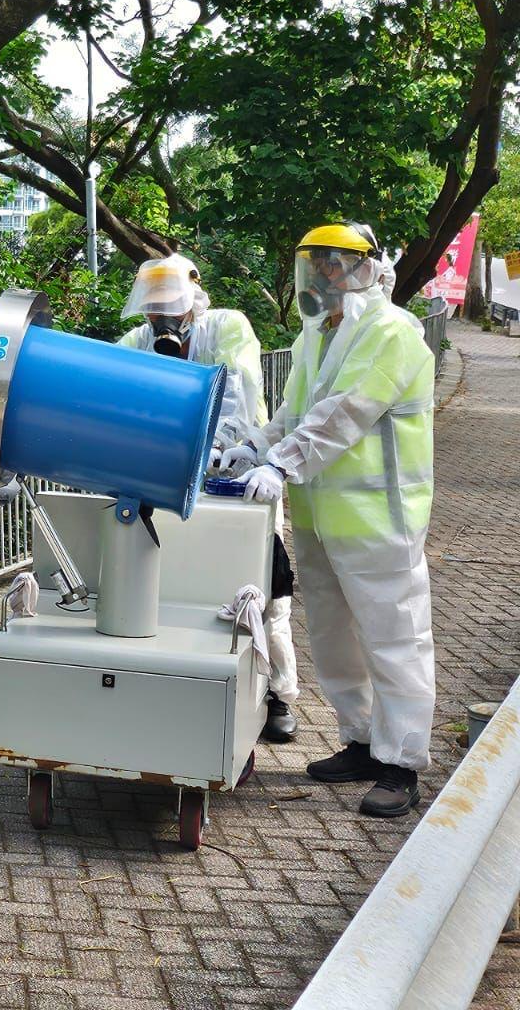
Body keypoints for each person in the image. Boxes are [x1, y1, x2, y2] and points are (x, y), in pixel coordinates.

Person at [229, 223, 435, 818]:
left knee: (393, 638)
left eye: (333, 264)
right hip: (320, 514)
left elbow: (346, 414)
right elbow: (299, 413)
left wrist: (282, 463)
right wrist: (256, 446)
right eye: (313, 265)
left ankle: (401, 764)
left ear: (365, 269)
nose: (321, 276)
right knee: (332, 634)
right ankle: (362, 741)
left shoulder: (390, 332)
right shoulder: (315, 336)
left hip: (379, 518)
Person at [116, 254, 300, 742]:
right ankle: (192, 683)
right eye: (152, 311)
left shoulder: (226, 328)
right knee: (187, 582)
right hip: (178, 478)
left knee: (262, 584)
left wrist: (222, 445)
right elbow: (114, 380)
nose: (161, 321)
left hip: (241, 471)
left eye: (168, 308)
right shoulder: (141, 341)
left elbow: (239, 388)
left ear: (193, 300)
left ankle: (280, 695)